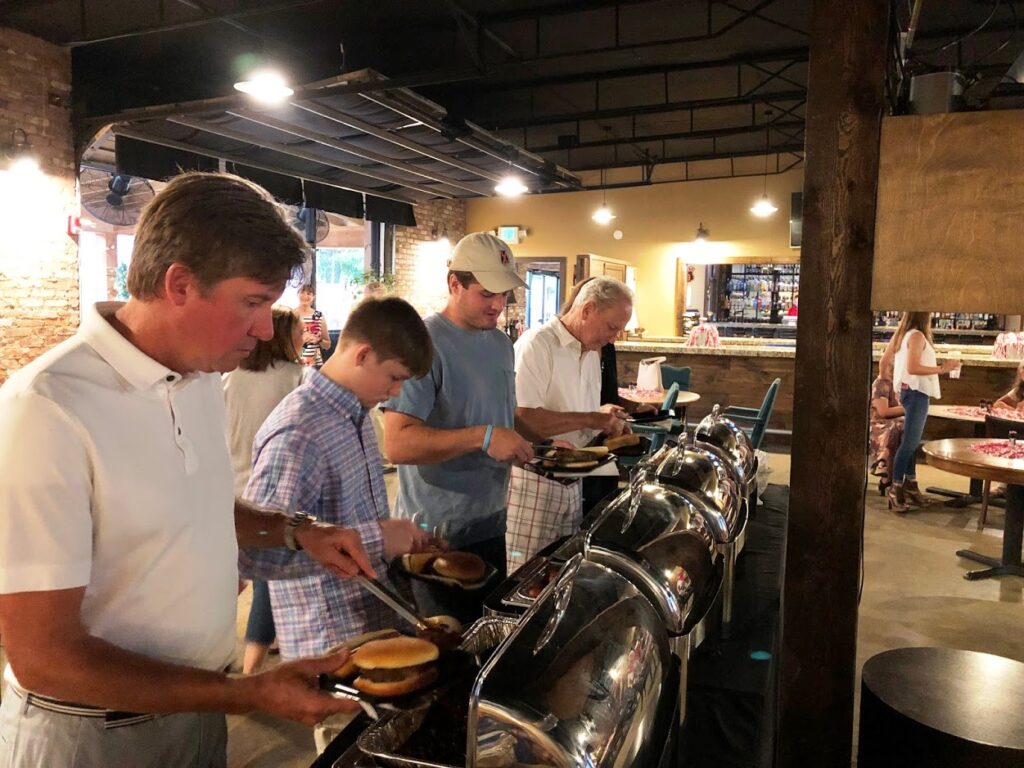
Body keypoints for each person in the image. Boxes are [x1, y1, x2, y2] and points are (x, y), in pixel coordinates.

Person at [0, 172, 377, 768]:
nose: (264, 328)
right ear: (179, 284)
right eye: (252, 303)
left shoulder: (200, 378)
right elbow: (43, 655)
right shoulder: (48, 407)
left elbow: (195, 508)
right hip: (95, 736)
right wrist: (241, 694)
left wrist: (294, 530)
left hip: (197, 709)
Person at [240, 296, 434, 661]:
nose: (396, 392)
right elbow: (256, 556)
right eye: (394, 378)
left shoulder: (353, 414)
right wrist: (380, 538)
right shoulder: (300, 431)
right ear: (361, 355)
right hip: (330, 646)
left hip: (367, 626)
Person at [382, 233, 533, 618]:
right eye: (487, 294)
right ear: (455, 285)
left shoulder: (500, 343)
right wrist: (482, 438)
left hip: (493, 518)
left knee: (486, 638)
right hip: (435, 532)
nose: (499, 304)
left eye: (505, 294)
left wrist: (540, 444)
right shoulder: (423, 343)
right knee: (447, 650)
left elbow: (500, 417)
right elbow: (397, 444)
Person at [506, 277, 634, 571]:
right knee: (527, 574)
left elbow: (573, 412)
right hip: (535, 480)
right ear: (587, 310)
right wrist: (592, 418)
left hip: (573, 478)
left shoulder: (590, 353)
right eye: (612, 327)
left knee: (560, 573)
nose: (614, 337)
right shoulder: (538, 344)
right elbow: (522, 418)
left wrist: (605, 420)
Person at [223, 306, 307, 675]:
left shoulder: (227, 378)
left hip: (231, 493)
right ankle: (251, 668)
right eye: (299, 331)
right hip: (273, 496)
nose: (304, 337)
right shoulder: (296, 378)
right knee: (266, 585)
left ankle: (220, 649)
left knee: (236, 577)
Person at [889, 311, 961, 511]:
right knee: (910, 443)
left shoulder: (908, 335)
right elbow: (913, 368)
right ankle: (895, 489)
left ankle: (910, 485)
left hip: (912, 392)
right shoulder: (917, 336)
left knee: (911, 442)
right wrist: (941, 369)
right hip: (916, 392)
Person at [869, 344, 905, 497]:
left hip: (896, 422)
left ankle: (890, 475)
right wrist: (909, 408)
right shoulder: (881, 384)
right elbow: (883, 412)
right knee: (896, 427)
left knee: (903, 427)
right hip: (878, 424)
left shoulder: (901, 383)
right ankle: (884, 468)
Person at [296, 283, 331, 368]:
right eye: (302, 293)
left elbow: (327, 345)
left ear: (313, 297)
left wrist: (318, 340)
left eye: (309, 294)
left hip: (315, 365)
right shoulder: (292, 315)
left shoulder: (318, 316)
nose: (305, 296)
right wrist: (301, 339)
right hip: (296, 363)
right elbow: (285, 343)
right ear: (298, 295)